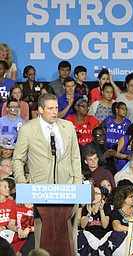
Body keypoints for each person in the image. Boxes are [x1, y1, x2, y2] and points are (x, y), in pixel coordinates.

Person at [12, 93, 82, 253]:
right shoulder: (28, 129)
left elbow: (75, 157)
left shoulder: (68, 126)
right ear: (40, 110)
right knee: (43, 238)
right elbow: (18, 159)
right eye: (50, 108)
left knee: (70, 238)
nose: (55, 112)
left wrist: (77, 183)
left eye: (56, 107)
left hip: (68, 189)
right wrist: (22, 182)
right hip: (41, 191)